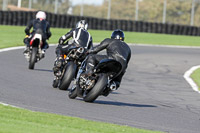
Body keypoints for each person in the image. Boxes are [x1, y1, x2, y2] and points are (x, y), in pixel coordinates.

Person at [82, 29, 131, 95]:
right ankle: (112, 86)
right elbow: (127, 61)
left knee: (91, 57)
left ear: (112, 36)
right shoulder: (128, 48)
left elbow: (96, 49)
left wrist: (87, 52)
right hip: (122, 66)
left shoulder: (109, 40)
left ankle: (89, 71)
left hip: (111, 59)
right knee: (118, 80)